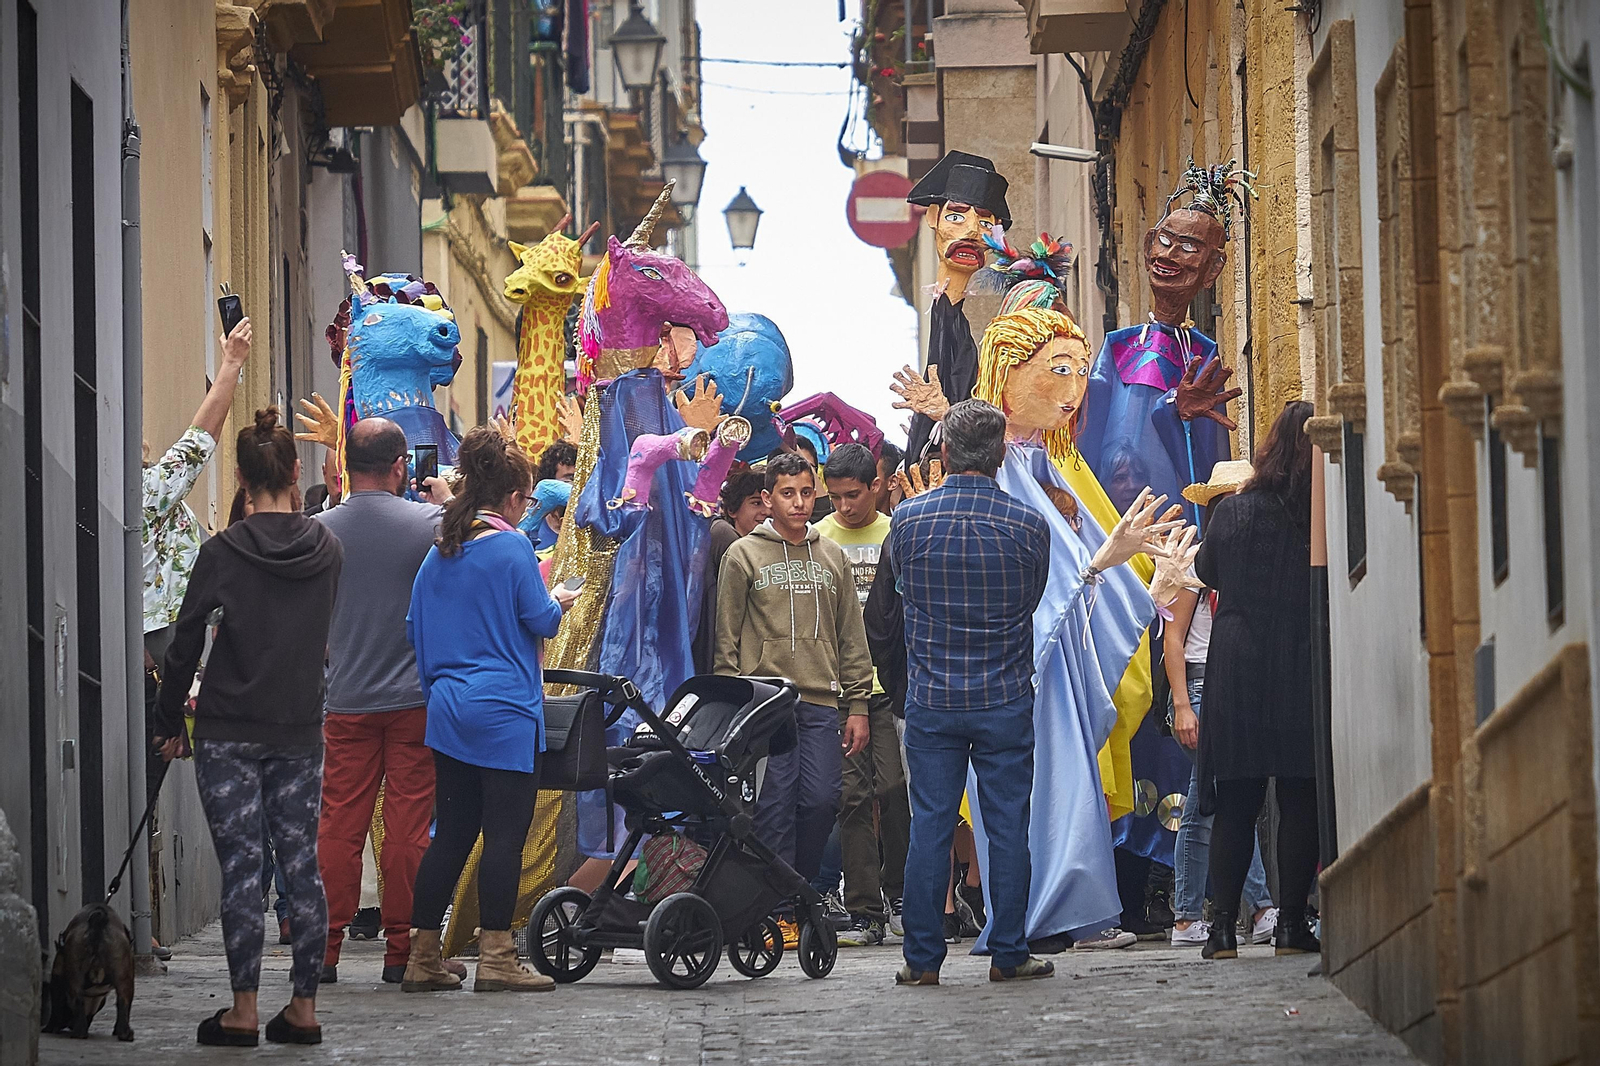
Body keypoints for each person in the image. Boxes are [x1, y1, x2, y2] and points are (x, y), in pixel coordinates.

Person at [152, 407, 342, 1047]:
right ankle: (305, 1008)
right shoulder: (327, 550)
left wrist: (170, 719)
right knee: (302, 865)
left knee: (242, 868)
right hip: (297, 729)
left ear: (238, 476)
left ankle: (241, 1010)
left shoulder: (221, 552)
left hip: (229, 729)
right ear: (295, 471)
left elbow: (182, 645)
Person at [401, 427, 580, 992]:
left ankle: (422, 958)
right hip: (504, 710)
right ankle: (498, 960)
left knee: (451, 836)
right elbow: (543, 621)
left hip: (449, 710)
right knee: (505, 837)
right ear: (512, 499)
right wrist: (558, 598)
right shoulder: (512, 547)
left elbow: (417, 632)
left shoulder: (441, 552)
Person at [313, 418, 453, 986]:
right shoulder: (431, 522)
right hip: (413, 698)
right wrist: (450, 497)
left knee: (339, 823)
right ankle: (403, 950)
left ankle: (323, 949)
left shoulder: (319, 529)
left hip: (345, 696)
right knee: (408, 826)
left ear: (347, 463)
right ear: (402, 466)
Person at [715, 451, 873, 948]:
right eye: (788, 493)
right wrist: (730, 706)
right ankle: (775, 912)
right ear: (768, 498)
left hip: (823, 702)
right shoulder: (743, 555)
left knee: (823, 800)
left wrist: (859, 705)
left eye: (807, 492)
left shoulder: (832, 557)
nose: (800, 503)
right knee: (775, 804)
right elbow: (726, 639)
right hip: (765, 702)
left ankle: (796, 894)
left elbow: (852, 637)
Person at [1193, 401, 1320, 960]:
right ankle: (1291, 924)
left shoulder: (1234, 513)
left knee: (1238, 800)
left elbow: (1207, 572)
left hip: (1239, 663)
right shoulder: (1319, 517)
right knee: (1299, 795)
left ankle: (1222, 931)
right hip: (1298, 658)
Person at [1164, 460, 1277, 948]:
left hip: (1233, 683)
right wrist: (1182, 705)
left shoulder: (1253, 558)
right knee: (1215, 797)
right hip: (1200, 684)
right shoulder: (1198, 560)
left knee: (1216, 799)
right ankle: (1256, 908)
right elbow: (1172, 637)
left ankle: (1196, 915)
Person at [816, 444, 909, 947]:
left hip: (889, 688)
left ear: (875, 485)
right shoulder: (816, 539)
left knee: (895, 791)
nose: (844, 506)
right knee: (851, 798)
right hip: (837, 690)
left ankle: (898, 894)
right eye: (834, 497)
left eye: (853, 495)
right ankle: (865, 911)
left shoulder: (898, 531)